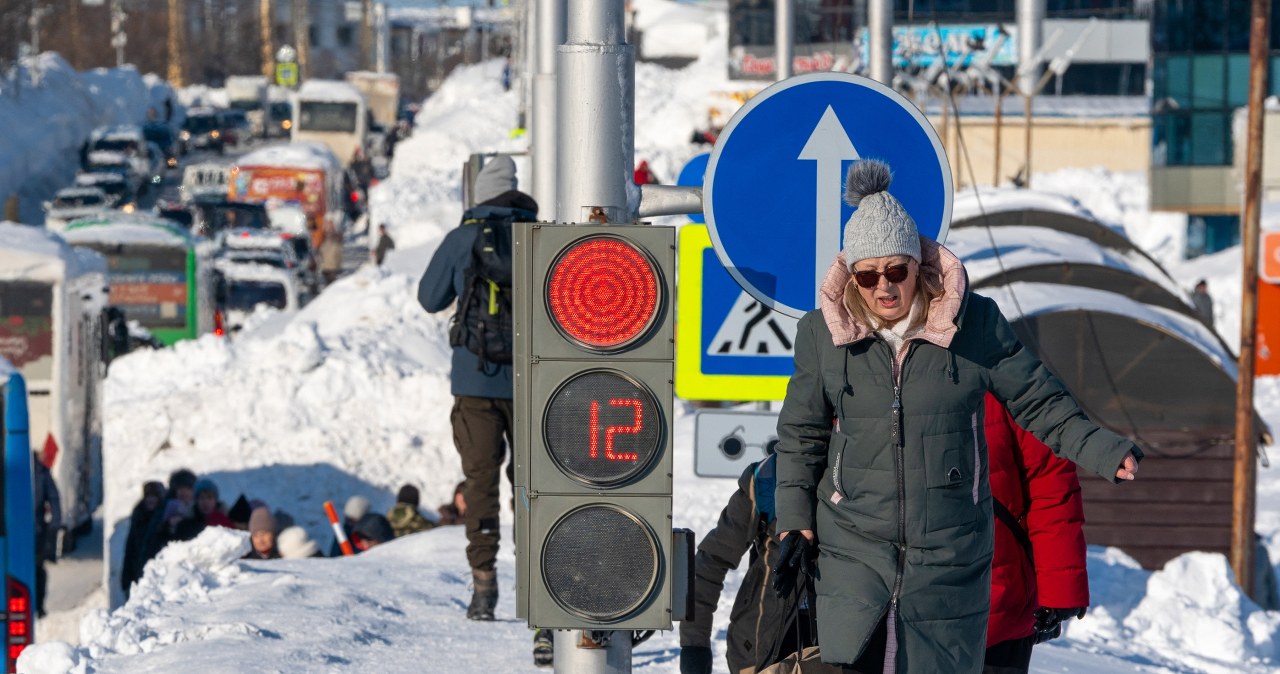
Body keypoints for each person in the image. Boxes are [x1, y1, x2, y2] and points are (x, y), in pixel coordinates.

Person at [771, 159, 1141, 672]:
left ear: (917, 267)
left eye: (896, 271)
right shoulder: (823, 335)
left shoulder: (973, 324)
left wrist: (1102, 447)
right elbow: (801, 434)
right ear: (852, 277)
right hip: (854, 545)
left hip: (949, 552)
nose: (884, 287)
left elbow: (1038, 399)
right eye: (868, 275)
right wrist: (794, 522)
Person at [417, 154, 537, 621]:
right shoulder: (539, 235)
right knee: (531, 487)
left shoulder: (464, 236)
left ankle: (484, 589)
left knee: (481, 482)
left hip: (473, 380)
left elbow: (429, 298)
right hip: (532, 382)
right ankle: (538, 591)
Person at [679, 453, 815, 674]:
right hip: (760, 647)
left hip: (845, 646)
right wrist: (695, 646)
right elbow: (712, 561)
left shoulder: (875, 474)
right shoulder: (767, 477)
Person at [982, 394, 1088, 673]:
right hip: (886, 611)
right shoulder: (861, 370)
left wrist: (1060, 591)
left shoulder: (1005, 375)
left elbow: (1052, 486)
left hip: (999, 613)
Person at [120, 481, 166, 597]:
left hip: (158, 575)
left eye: (154, 496)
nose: (151, 500)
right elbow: (130, 548)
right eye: (148, 496)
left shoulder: (164, 517)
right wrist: (126, 578)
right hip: (138, 572)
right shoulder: (138, 516)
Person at [33, 456, 61, 618]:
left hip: (36, 534)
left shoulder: (41, 472)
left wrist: (53, 528)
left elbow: (54, 500)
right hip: (14, 532)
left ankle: (38, 605)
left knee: (37, 570)